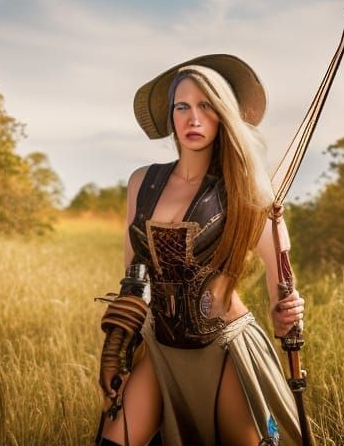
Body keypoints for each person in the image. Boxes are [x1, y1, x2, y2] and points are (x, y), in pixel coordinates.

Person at [95, 54, 304, 446]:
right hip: (161, 350)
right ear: (171, 116)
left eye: (206, 106)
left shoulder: (248, 188)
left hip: (224, 348)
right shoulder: (143, 181)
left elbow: (283, 285)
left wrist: (286, 315)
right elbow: (135, 279)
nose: (194, 119)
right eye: (183, 107)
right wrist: (115, 350)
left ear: (222, 114)